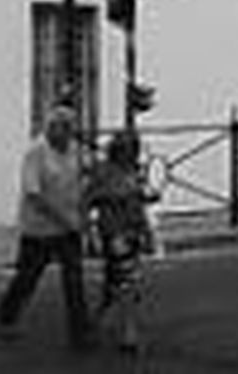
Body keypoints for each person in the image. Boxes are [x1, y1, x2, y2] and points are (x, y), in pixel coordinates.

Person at [0, 104, 95, 352]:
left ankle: (80, 334)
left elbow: (88, 175)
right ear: (52, 128)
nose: (68, 134)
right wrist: (64, 219)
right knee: (27, 277)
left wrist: (84, 209)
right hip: (38, 230)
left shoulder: (75, 150)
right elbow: (34, 196)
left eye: (71, 129)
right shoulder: (36, 152)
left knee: (74, 281)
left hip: (68, 230)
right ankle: (6, 315)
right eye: (63, 128)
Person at [88, 130, 156, 353]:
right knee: (127, 282)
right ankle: (129, 333)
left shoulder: (134, 172)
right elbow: (89, 200)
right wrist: (90, 233)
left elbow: (140, 203)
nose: (131, 154)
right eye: (127, 149)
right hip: (114, 232)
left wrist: (148, 233)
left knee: (115, 283)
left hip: (132, 230)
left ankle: (96, 321)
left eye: (133, 149)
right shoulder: (103, 172)